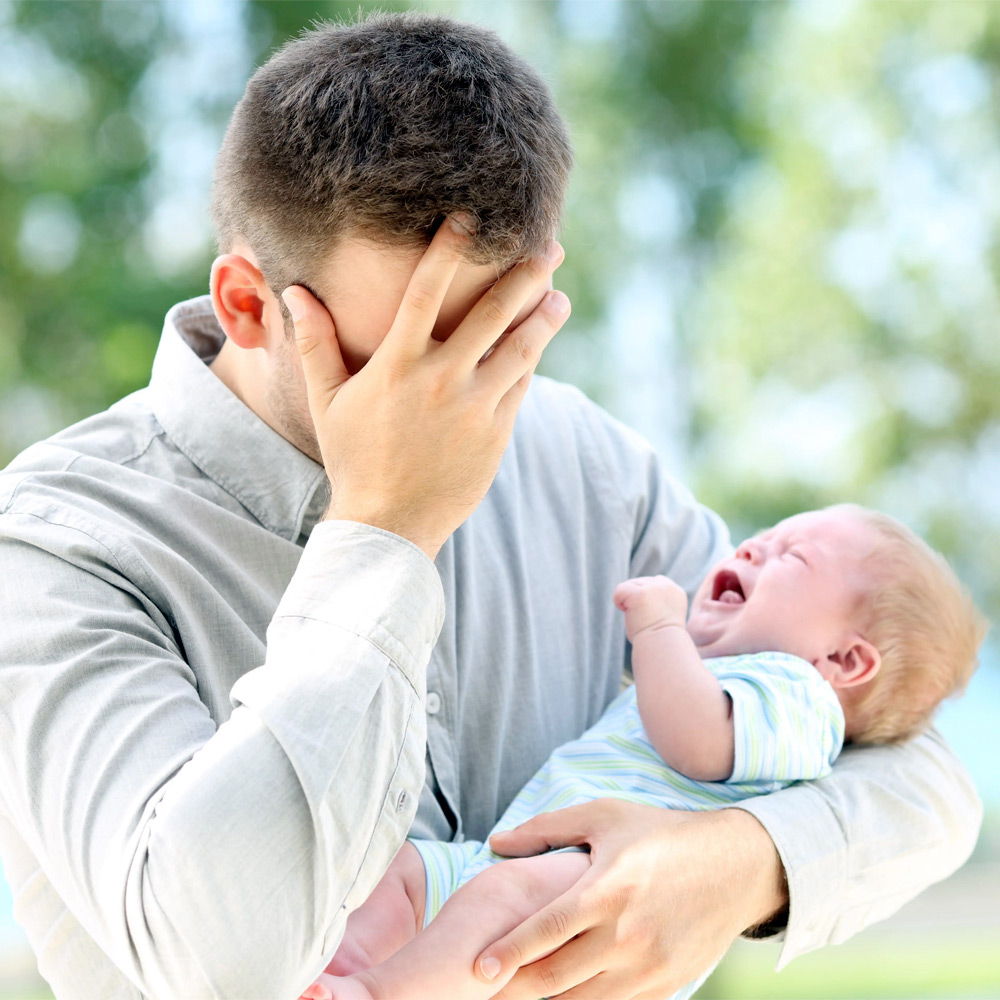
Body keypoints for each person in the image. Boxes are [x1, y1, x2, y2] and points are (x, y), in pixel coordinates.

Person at [0, 13, 981, 1000]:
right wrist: (383, 532)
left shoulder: (586, 463)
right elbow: (220, 962)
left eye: (503, 334)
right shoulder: (55, 547)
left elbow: (921, 777)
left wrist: (735, 865)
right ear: (249, 304)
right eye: (417, 343)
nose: (464, 392)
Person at [302, 504, 986, 1000]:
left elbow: (695, 742)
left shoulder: (798, 697)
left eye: (791, 558)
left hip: (600, 890)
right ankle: (337, 969)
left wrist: (659, 626)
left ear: (845, 659)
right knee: (407, 870)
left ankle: (374, 993)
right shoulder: (733, 671)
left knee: (496, 903)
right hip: (522, 865)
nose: (751, 550)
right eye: (761, 538)